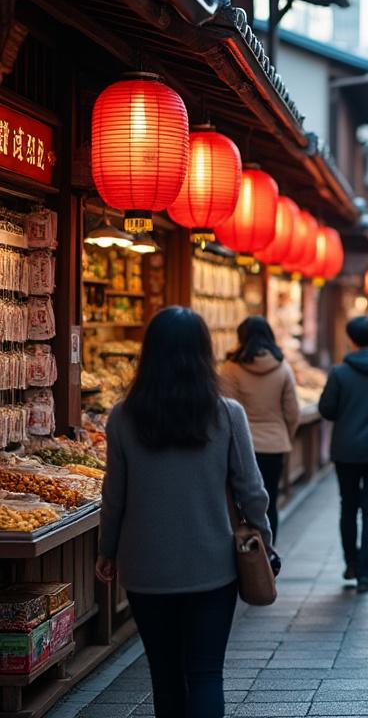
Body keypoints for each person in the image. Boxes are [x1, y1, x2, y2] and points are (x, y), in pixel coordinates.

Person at [97, 307, 272, 718]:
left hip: (145, 568)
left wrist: (107, 549)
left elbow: (114, 494)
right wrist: (262, 536)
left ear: (149, 353)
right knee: (207, 673)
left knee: (165, 673)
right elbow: (252, 489)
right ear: (203, 353)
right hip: (212, 564)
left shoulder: (123, 416)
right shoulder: (227, 414)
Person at [318, 316, 368, 592]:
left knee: (348, 507)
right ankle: (365, 571)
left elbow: (327, 410)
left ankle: (351, 563)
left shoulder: (340, 373)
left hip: (346, 450)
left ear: (350, 340)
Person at [219, 316, 299, 541]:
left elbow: (225, 410)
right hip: (274, 445)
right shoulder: (282, 367)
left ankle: (244, 553)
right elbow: (292, 411)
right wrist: (284, 436)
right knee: (270, 500)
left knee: (237, 503)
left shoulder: (230, 368)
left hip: (240, 447)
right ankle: (268, 551)